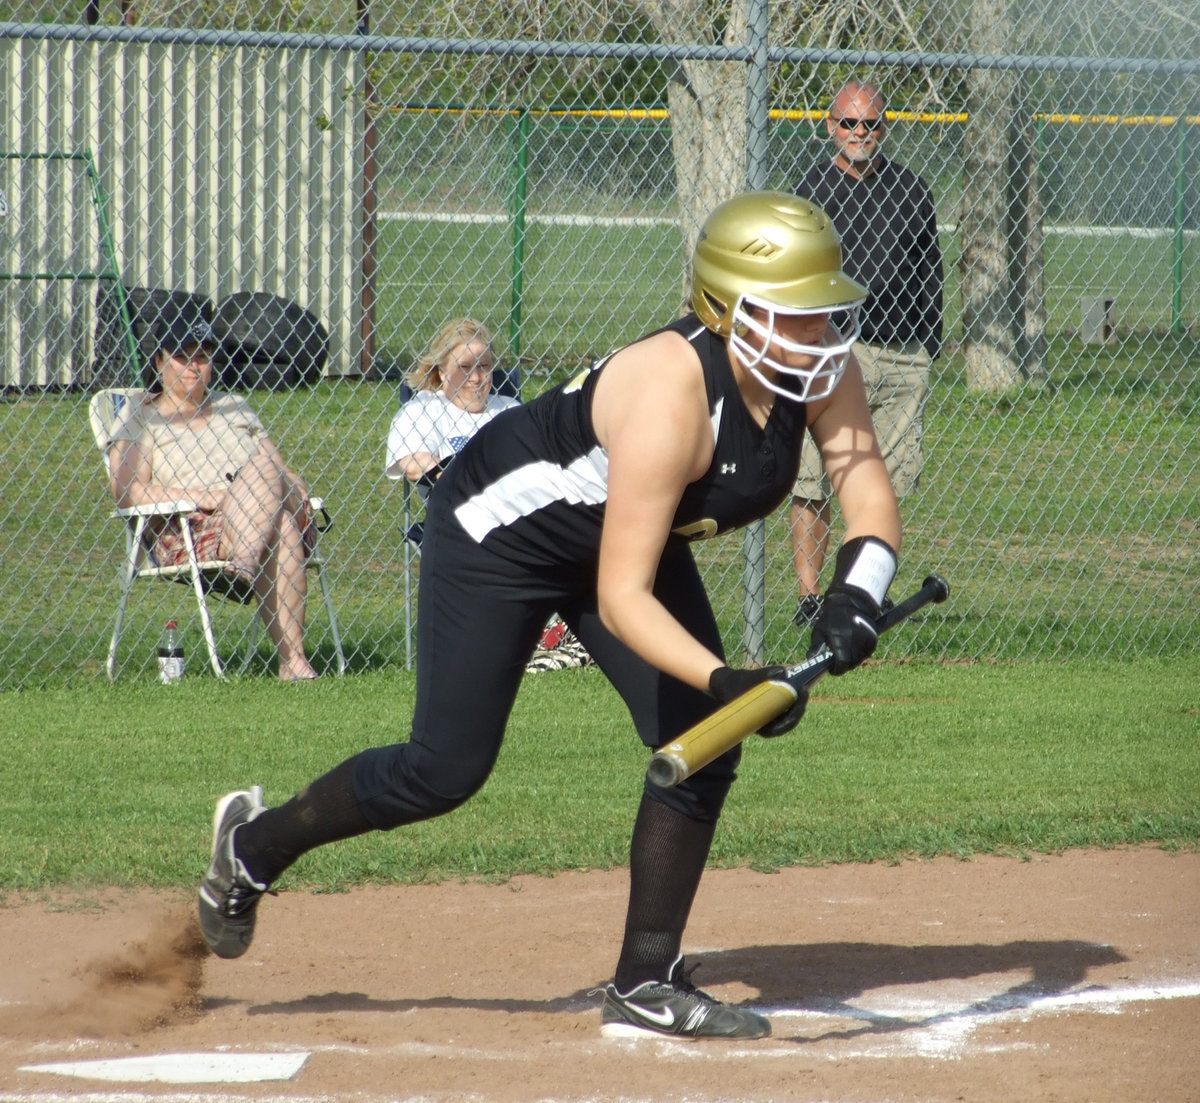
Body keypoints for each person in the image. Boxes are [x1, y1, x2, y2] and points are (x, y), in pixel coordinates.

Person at [197, 191, 902, 1040]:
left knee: (701, 747)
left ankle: (646, 978)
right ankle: (254, 846)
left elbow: (869, 501)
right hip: (503, 531)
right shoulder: (671, 391)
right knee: (443, 769)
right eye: (797, 314)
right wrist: (727, 681)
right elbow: (622, 599)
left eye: (825, 312)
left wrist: (855, 598)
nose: (820, 333)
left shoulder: (820, 373)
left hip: (615, 532)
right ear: (728, 310)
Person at [790, 79, 942, 626]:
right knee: (812, 479)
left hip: (901, 352)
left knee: (885, 482)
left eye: (871, 123)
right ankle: (810, 599)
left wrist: (928, 346)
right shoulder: (808, 191)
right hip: (831, 352)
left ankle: (857, 595)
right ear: (830, 126)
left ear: (886, 127)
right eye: (849, 123)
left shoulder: (911, 190)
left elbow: (931, 273)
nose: (861, 133)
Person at [107, 306, 321, 682]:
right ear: (159, 360)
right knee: (283, 526)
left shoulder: (233, 405)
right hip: (194, 524)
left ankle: (245, 559)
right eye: (182, 357)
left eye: (203, 357)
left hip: (255, 511)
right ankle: (293, 662)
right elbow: (127, 492)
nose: (194, 367)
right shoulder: (140, 415)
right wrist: (202, 495)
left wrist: (262, 488)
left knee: (264, 471)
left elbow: (278, 470)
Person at [384, 317, 520, 483]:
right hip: (460, 500)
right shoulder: (423, 409)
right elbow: (413, 463)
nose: (476, 378)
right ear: (442, 371)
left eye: (483, 365)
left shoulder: (510, 408)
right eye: (464, 367)